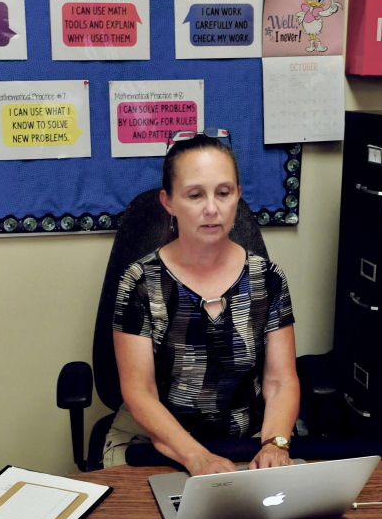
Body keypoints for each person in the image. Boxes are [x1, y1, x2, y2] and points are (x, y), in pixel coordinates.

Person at [104, 130, 300, 474]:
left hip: (247, 441)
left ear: (238, 195)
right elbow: (140, 392)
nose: (212, 208)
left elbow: (280, 381)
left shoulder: (267, 279)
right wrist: (196, 456)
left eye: (223, 193)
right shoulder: (139, 282)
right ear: (168, 202)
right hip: (154, 444)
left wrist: (275, 444)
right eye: (195, 195)